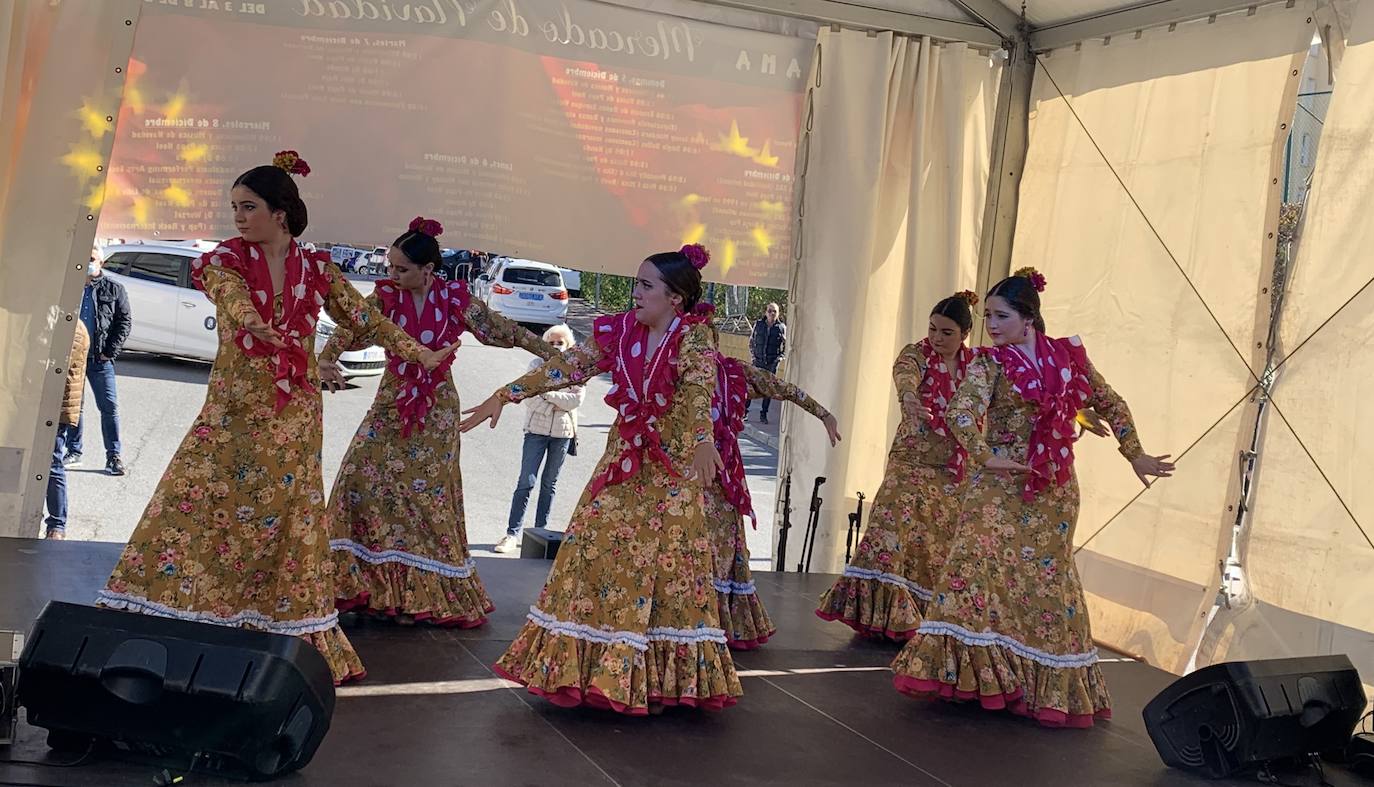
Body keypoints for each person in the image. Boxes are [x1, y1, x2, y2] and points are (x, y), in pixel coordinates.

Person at [97, 151, 458, 684]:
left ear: (281, 212)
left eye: (249, 207)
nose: (239, 218)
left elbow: (363, 319)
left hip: (294, 418)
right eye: (235, 208)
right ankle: (182, 612)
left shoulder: (316, 269)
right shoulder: (224, 260)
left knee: (288, 519)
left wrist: (417, 352)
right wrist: (252, 322)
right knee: (201, 503)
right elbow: (231, 297)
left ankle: (274, 622)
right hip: (235, 411)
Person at [460, 244, 741, 715]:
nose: (636, 293)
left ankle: (658, 678)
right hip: (626, 460)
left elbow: (696, 392)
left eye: (646, 285)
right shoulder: (620, 332)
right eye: (636, 283)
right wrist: (504, 394)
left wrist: (702, 440)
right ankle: (581, 666)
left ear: (676, 297)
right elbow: (567, 368)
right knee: (588, 543)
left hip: (673, 471)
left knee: (672, 569)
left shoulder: (694, 339)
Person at [890, 267, 1174, 727]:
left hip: (1053, 490)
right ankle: (970, 678)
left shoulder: (1068, 358)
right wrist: (984, 455)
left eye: (1001, 316)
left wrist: (1135, 454)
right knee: (970, 565)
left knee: (1045, 584)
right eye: (986, 317)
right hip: (998, 483)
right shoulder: (987, 363)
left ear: (1029, 318)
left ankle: (1033, 685)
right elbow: (962, 412)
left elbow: (1110, 401)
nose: (992, 326)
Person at [323, 217, 555, 626]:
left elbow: (505, 330)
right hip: (391, 402)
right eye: (389, 267)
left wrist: (556, 356)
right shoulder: (383, 299)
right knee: (357, 478)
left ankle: (419, 597)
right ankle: (362, 586)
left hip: (436, 409)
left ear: (428, 270)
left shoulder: (455, 300)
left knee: (427, 498)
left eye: (401, 269)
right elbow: (350, 329)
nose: (391, 275)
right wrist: (325, 359)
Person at [816, 292, 980, 641]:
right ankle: (876, 615)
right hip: (911, 461)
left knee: (934, 541)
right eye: (933, 328)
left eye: (946, 332)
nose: (937, 337)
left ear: (965, 333)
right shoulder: (916, 353)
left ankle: (920, 617)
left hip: (952, 469)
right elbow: (904, 374)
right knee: (888, 532)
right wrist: (909, 397)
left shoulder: (978, 366)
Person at [707, 336, 841, 648]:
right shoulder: (669, 370)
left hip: (722, 479)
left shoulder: (734, 374)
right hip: (682, 478)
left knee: (723, 550)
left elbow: (785, 389)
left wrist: (823, 413)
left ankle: (719, 623)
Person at [495, 323, 584, 554]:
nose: (555, 346)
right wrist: (556, 401)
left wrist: (546, 393)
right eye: (551, 342)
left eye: (560, 342)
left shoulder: (578, 368)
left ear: (568, 345)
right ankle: (511, 533)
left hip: (562, 435)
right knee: (526, 481)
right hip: (535, 431)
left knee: (549, 484)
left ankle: (539, 533)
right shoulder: (536, 365)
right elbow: (529, 396)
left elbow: (574, 401)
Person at [65, 253, 132, 475]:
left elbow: (124, 321)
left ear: (101, 262)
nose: (87, 262)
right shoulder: (68, 286)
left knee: (109, 407)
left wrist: (109, 352)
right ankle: (74, 452)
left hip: (99, 359)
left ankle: (113, 456)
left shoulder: (114, 288)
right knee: (74, 407)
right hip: (73, 359)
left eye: (92, 257)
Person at [44, 323, 91, 540]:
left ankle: (57, 525)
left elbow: (52, 364)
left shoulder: (74, 328)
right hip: (52, 404)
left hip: (58, 407)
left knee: (53, 464)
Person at [745, 302, 786, 424]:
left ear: (778, 314)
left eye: (774, 311)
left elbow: (786, 346)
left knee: (768, 389)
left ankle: (764, 414)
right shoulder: (758, 325)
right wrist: (753, 357)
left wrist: (779, 358)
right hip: (758, 361)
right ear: (765, 312)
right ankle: (745, 412)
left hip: (771, 363)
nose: (772, 313)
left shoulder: (781, 328)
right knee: (752, 386)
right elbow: (751, 341)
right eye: (770, 311)